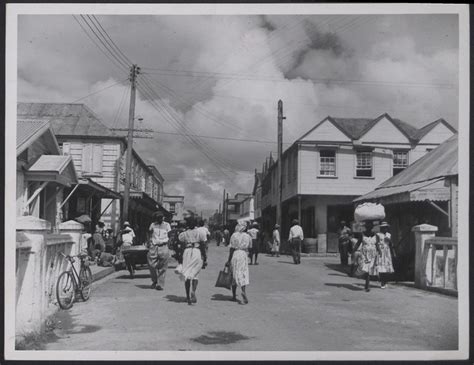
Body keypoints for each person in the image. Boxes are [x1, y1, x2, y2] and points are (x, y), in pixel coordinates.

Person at [178, 218, 206, 305]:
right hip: (196, 251)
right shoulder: (200, 233)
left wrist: (180, 257)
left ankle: (187, 296)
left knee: (186, 273)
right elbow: (203, 245)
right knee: (195, 274)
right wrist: (204, 256)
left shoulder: (184, 234)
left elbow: (181, 245)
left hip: (187, 252)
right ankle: (193, 291)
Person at [352, 220, 380, 292]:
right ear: (365, 227)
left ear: (372, 227)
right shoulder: (362, 235)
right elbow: (358, 243)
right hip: (364, 254)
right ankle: (366, 283)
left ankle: (367, 285)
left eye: (370, 227)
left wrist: (380, 252)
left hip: (373, 254)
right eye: (367, 227)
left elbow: (377, 245)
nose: (369, 228)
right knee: (363, 268)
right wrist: (353, 250)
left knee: (369, 270)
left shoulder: (376, 236)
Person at [226, 222, 250, 304]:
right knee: (243, 273)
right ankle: (243, 291)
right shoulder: (247, 236)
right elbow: (249, 247)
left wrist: (228, 260)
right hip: (243, 255)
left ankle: (233, 296)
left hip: (235, 254)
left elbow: (231, 249)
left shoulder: (234, 235)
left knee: (234, 273)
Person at [147, 212, 171, 290]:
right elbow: (149, 234)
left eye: (161, 217)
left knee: (163, 266)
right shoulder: (153, 225)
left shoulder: (167, 225)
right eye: (158, 218)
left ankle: (160, 284)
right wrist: (149, 242)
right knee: (151, 265)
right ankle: (154, 280)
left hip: (164, 246)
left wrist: (169, 245)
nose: (160, 219)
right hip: (154, 246)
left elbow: (169, 235)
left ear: (163, 218)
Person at [377, 222, 395, 288]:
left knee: (387, 266)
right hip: (381, 251)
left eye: (386, 228)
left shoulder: (388, 234)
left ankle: (385, 281)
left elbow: (390, 244)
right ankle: (382, 281)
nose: (385, 229)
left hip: (387, 251)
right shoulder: (378, 234)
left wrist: (393, 252)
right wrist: (379, 251)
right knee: (381, 266)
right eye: (383, 228)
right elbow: (377, 243)